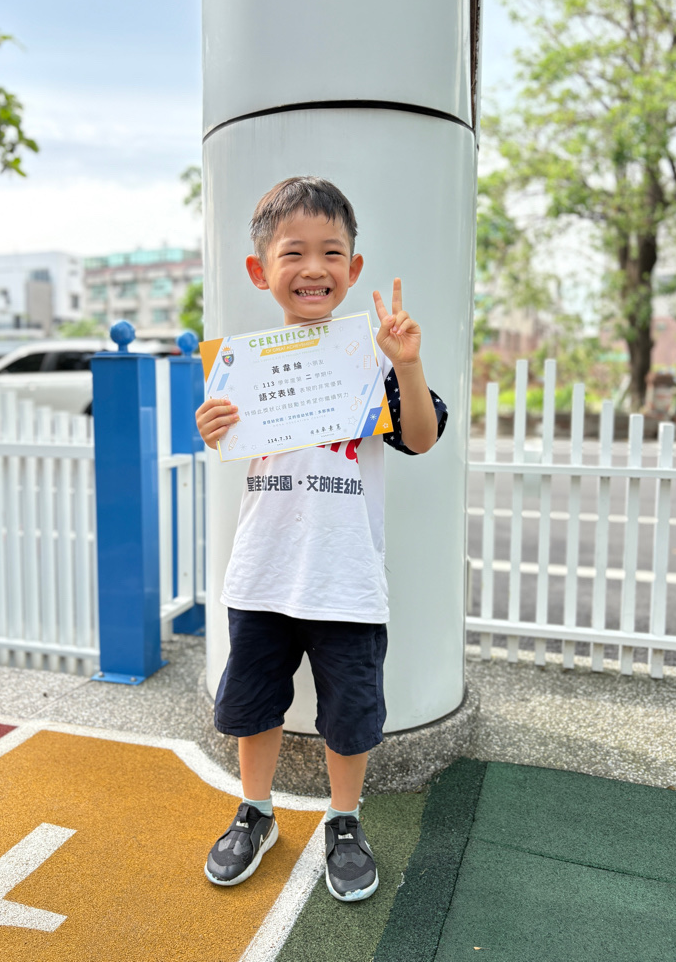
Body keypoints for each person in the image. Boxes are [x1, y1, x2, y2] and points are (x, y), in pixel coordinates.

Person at [195, 176, 447, 902]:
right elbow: (226, 439)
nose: (314, 268)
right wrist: (210, 427)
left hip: (346, 579)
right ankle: (256, 810)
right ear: (260, 270)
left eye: (332, 252)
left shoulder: (373, 358)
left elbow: (422, 438)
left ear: (354, 268)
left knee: (349, 714)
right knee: (252, 704)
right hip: (264, 573)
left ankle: (344, 820)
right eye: (293, 252)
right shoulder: (240, 366)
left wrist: (406, 362)